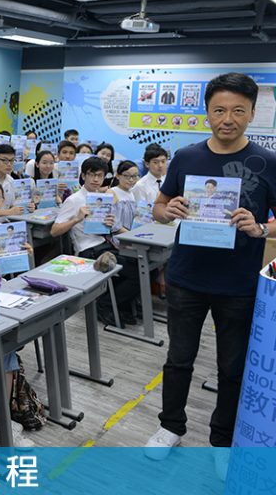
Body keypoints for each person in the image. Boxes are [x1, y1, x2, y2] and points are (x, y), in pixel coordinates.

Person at [144, 73, 276, 462]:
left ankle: (222, 440)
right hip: (186, 278)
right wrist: (168, 210)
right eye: (219, 110)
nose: (227, 119)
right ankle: (170, 426)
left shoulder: (269, 162)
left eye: (238, 110)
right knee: (178, 358)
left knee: (232, 367)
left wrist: (261, 227)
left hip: (238, 283)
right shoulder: (186, 157)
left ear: (252, 113)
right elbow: (158, 208)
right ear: (207, 112)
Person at [51, 156, 140, 325]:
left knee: (140, 264)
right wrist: (77, 219)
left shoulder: (103, 198)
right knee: (136, 272)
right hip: (89, 250)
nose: (96, 179)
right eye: (92, 175)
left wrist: (110, 224)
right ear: (83, 176)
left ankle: (120, 306)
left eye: (100, 175)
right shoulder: (74, 200)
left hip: (106, 245)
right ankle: (105, 305)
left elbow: (109, 228)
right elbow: (55, 231)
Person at [108, 160, 140, 239]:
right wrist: (131, 235)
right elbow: (113, 223)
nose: (131, 180)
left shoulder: (131, 193)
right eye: (127, 176)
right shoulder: (111, 192)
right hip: (118, 239)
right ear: (118, 176)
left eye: (134, 176)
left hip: (131, 237)